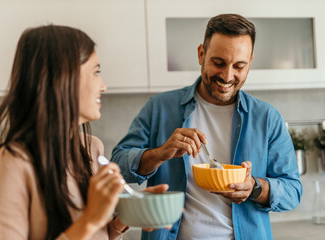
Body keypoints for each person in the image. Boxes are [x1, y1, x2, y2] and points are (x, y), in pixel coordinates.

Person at [111, 14, 302, 240]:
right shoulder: (159, 108)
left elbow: (293, 191)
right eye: (218, 63)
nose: (227, 76)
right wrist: (159, 154)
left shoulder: (267, 118)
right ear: (201, 54)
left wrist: (255, 187)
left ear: (250, 62)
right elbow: (116, 165)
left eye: (239, 66)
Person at [0, 25, 168, 240]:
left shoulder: (91, 149)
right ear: (62, 77)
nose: (103, 86)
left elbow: (96, 235)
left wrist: (123, 220)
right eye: (96, 72)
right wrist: (90, 220)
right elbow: (87, 227)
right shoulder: (12, 164)